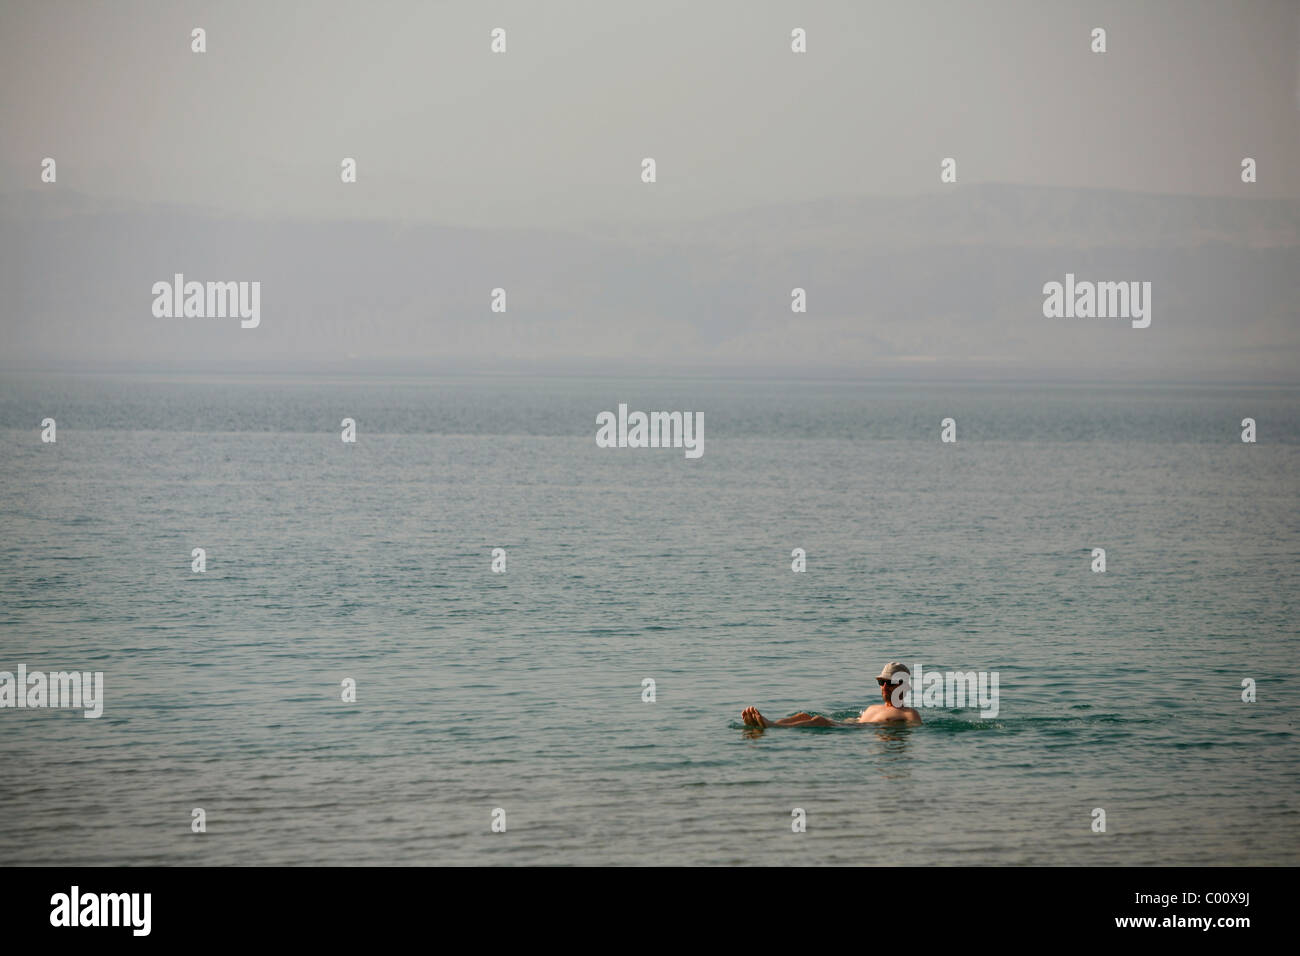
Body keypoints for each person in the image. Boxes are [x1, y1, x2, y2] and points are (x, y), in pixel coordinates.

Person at [740, 661, 922, 727]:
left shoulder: (908, 713)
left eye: (890, 682)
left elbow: (915, 730)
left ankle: (771, 726)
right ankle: (768, 723)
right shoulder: (872, 707)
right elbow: (857, 721)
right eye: (881, 682)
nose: (884, 687)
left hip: (853, 731)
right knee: (803, 715)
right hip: (851, 725)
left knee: (820, 720)